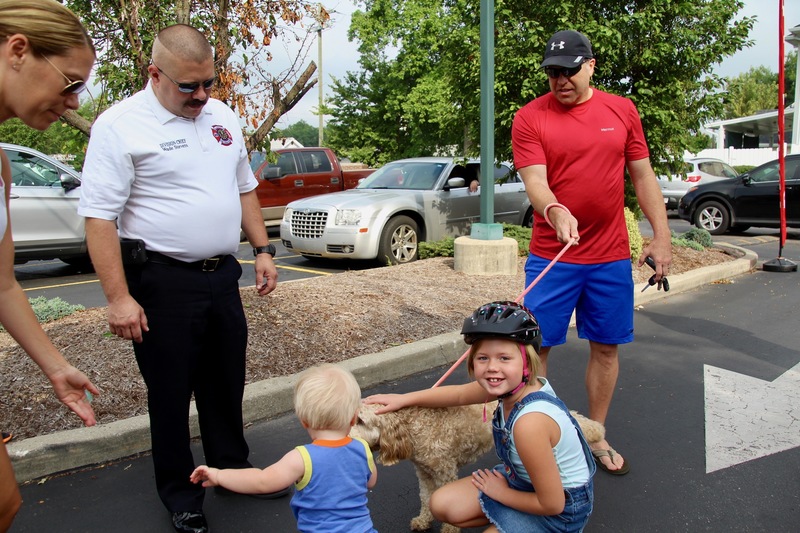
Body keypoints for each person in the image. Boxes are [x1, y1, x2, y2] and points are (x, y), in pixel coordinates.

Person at [77, 24, 284, 533]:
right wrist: (118, 297)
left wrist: (262, 250)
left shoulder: (222, 117)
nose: (202, 95)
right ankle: (180, 493)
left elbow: (244, 189)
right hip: (163, 281)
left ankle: (232, 468)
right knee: (169, 392)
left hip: (221, 277)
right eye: (189, 86)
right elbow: (99, 217)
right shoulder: (120, 124)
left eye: (209, 83)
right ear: (155, 73)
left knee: (224, 382)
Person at [511, 29, 672, 476]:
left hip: (609, 255)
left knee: (605, 348)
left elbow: (642, 176)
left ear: (591, 66)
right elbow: (536, 182)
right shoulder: (529, 118)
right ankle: (535, 440)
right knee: (535, 349)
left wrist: (661, 237)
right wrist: (555, 209)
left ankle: (594, 436)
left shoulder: (622, 111)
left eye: (568, 71)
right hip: (552, 255)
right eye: (551, 73)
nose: (559, 80)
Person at [366, 301, 595, 532]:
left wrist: (501, 493)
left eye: (504, 358)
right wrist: (403, 399)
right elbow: (456, 395)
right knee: (442, 504)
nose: (492, 367)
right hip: (522, 481)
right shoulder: (511, 387)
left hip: (562, 509)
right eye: (483, 358)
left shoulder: (529, 423)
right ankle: (509, 516)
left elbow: (553, 504)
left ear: (528, 362)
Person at [0, 0, 99, 530]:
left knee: (5, 505)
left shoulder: (2, 165)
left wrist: (56, 367)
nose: (71, 102)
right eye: (68, 83)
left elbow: (1, 283)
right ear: (18, 50)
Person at [190, 363, 378, 533]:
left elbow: (261, 481)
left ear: (304, 421)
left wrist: (219, 475)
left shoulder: (301, 458)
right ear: (353, 418)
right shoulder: (362, 448)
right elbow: (370, 482)